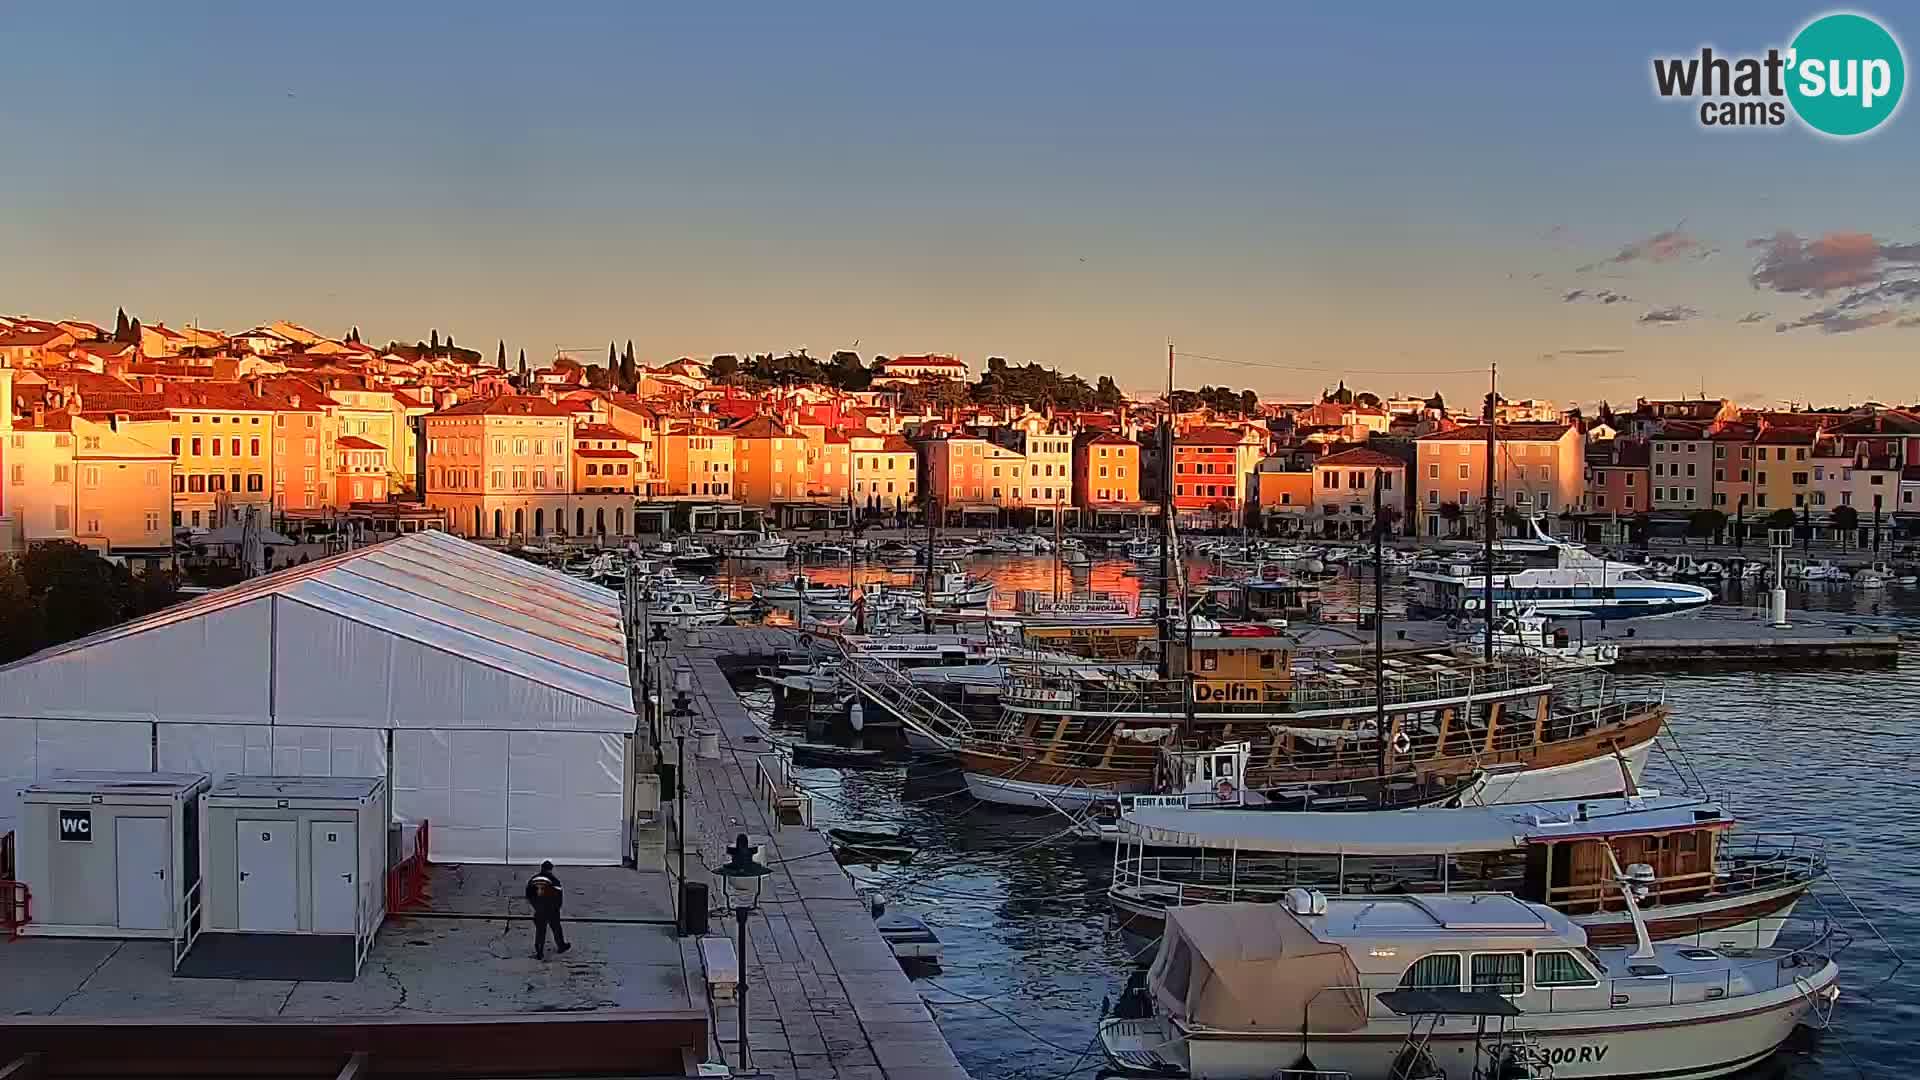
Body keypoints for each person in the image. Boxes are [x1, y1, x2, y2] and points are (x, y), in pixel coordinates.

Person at [525, 860, 570, 960]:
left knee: (540, 931)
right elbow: (558, 895)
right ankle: (561, 946)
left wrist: (536, 906)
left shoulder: (534, 879)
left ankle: (539, 952)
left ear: (542, 868)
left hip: (539, 910)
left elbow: (529, 894)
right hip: (552, 910)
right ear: (550, 869)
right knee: (556, 928)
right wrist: (556, 908)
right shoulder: (553, 879)